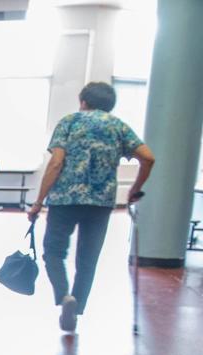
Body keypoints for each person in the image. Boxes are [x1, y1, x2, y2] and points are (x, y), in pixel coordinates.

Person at [28, 81, 155, 332]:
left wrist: (38, 201)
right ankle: (76, 308)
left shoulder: (70, 122)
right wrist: (134, 189)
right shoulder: (118, 127)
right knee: (88, 260)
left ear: (83, 102)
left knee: (53, 252)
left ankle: (64, 296)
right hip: (100, 203)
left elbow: (56, 163)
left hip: (65, 199)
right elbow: (148, 158)